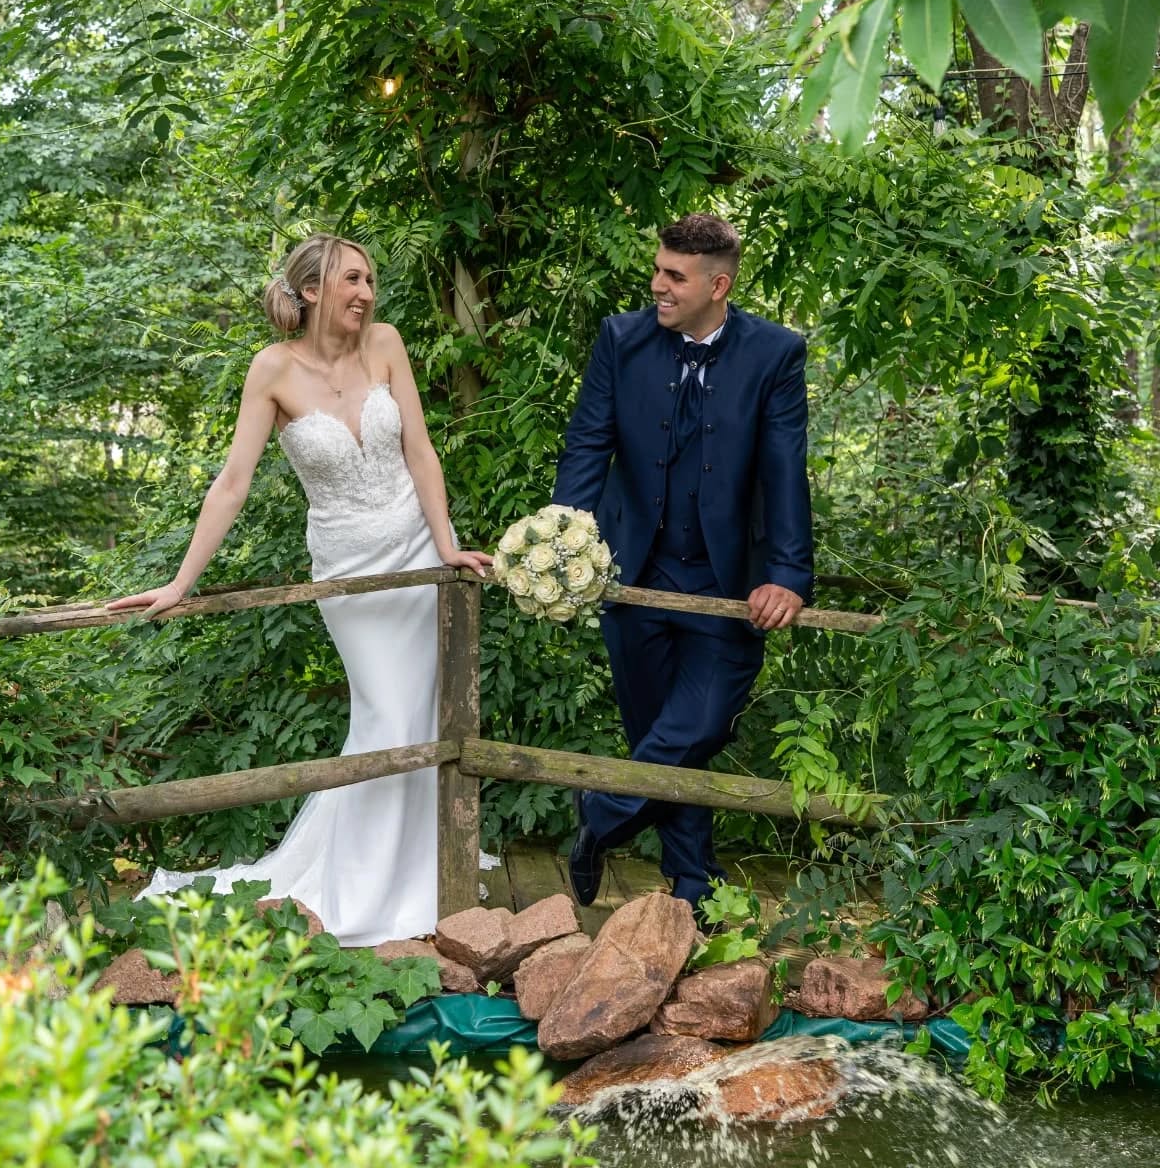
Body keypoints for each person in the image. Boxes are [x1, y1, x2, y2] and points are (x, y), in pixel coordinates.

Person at [106, 233, 490, 947]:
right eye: (352, 279)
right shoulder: (272, 369)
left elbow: (421, 449)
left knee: (419, 715)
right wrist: (180, 582)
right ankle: (361, 888)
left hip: (413, 547)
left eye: (371, 279)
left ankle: (421, 874)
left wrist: (444, 544)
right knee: (384, 710)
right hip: (347, 566)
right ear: (311, 291)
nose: (366, 292)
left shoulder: (387, 344)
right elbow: (233, 483)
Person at [552, 212, 813, 911]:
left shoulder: (777, 354)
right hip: (633, 573)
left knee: (698, 724)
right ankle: (692, 888)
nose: (657, 285)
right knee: (659, 734)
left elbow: (786, 467)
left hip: (729, 581)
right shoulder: (621, 340)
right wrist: (564, 541)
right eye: (658, 270)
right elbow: (587, 446)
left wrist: (787, 573)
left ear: (717, 284)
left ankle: (600, 812)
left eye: (675, 276)